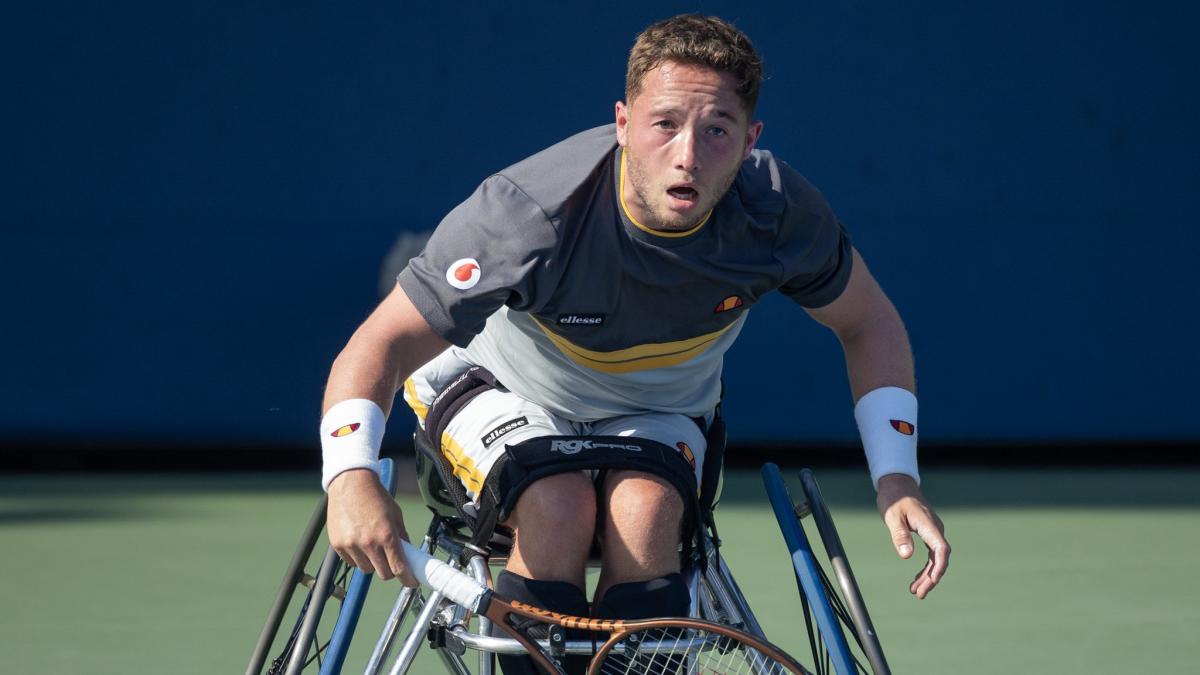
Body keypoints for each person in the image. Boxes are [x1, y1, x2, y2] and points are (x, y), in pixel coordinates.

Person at [319, 13, 950, 671]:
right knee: (557, 504)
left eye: (716, 131)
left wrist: (897, 476)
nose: (687, 154)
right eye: (665, 124)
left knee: (645, 513)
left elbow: (868, 321)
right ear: (623, 123)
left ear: (748, 140)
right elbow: (380, 342)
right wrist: (350, 476)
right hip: (500, 389)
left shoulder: (776, 213)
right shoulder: (529, 213)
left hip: (657, 410)